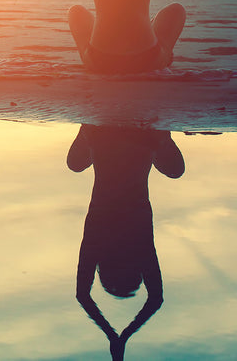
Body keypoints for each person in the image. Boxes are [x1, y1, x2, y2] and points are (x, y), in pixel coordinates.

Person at [68, 123, 185, 360]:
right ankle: (87, 128)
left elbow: (156, 299)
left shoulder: (140, 248)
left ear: (137, 270)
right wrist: (113, 335)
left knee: (176, 171)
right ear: (103, 269)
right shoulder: (96, 243)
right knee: (74, 165)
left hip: (140, 139)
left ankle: (160, 135)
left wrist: (123, 336)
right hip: (106, 136)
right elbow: (82, 295)